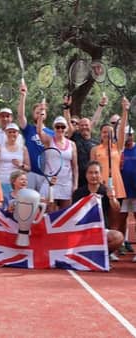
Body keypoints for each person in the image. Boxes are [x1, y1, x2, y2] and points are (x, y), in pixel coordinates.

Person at [90, 97, 129, 229]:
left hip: (117, 186)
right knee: (101, 218)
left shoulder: (117, 147)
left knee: (115, 219)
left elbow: (122, 127)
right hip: (101, 186)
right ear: (100, 134)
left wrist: (125, 111)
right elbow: (92, 169)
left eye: (109, 132)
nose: (107, 134)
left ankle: (115, 246)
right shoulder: (95, 149)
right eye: (104, 132)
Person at [72, 161, 123, 255]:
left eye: (96, 172)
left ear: (101, 174)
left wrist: (112, 198)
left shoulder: (106, 191)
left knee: (118, 237)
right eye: (90, 173)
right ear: (86, 175)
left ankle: (100, 256)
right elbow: (73, 214)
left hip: (101, 231)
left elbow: (116, 209)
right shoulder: (79, 193)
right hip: (82, 231)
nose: (93, 176)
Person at [17, 82, 54, 190]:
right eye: (37, 112)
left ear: (46, 114)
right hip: (30, 173)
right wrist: (23, 96)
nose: (39, 114)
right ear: (33, 114)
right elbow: (20, 116)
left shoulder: (52, 133)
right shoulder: (28, 129)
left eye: (42, 112)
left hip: (46, 174)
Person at [37, 114, 78, 210]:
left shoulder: (72, 144)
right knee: (48, 211)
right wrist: (40, 117)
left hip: (66, 183)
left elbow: (75, 167)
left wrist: (75, 184)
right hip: (51, 182)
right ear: (54, 128)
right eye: (57, 127)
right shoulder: (49, 140)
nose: (60, 129)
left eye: (63, 127)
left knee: (65, 213)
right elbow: (39, 132)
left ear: (66, 128)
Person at [0, 123, 30, 198]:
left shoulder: (23, 148)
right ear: (6, 133)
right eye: (9, 132)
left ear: (18, 133)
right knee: (2, 206)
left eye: (14, 132)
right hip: (2, 181)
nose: (12, 134)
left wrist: (20, 165)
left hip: (17, 185)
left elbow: (28, 168)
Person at [119, 127, 136, 259]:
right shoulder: (119, 150)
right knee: (121, 219)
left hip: (135, 191)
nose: (127, 137)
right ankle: (121, 245)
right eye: (125, 135)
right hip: (123, 190)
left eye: (129, 134)